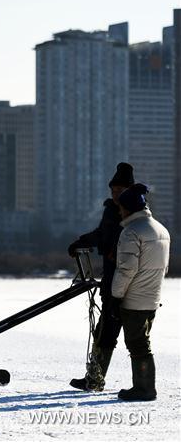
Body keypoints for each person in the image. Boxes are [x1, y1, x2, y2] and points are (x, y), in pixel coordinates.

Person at [67, 162, 134, 391]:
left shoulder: (136, 215)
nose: (115, 195)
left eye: (120, 191)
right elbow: (101, 234)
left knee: (123, 336)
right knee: (104, 330)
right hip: (110, 281)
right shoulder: (110, 211)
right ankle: (93, 378)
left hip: (128, 285)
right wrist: (82, 242)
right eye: (113, 191)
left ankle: (100, 380)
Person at [111, 183, 170, 402]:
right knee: (142, 343)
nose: (119, 210)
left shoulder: (132, 232)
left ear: (128, 208)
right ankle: (143, 387)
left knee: (138, 345)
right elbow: (164, 268)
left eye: (121, 207)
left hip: (134, 299)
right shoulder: (161, 229)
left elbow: (127, 269)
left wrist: (115, 296)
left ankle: (144, 389)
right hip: (152, 297)